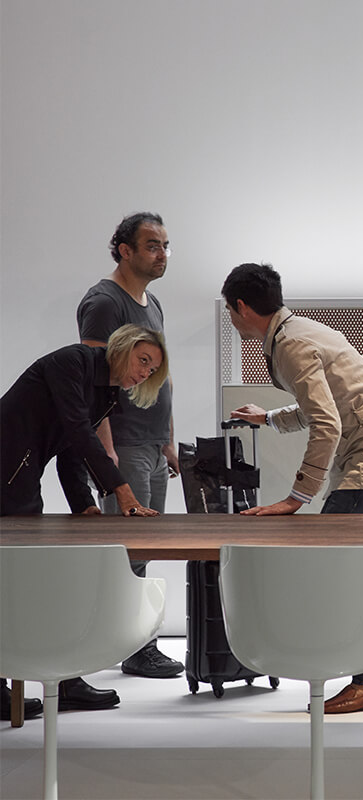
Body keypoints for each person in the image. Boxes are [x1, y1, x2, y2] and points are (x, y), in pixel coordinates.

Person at [220, 262, 363, 714]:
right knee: (349, 567)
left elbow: (326, 423)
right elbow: (324, 405)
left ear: (242, 307)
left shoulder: (290, 344)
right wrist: (269, 418)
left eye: (230, 310)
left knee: (331, 569)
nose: (231, 318)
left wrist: (296, 497)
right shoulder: (298, 331)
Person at [1, 323, 168, 714]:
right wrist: (121, 490)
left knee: (27, 577)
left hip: (22, 469)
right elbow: (77, 431)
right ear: (123, 346)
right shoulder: (72, 362)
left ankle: (65, 679)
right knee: (18, 577)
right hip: (7, 468)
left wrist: (84, 505)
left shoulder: (105, 392)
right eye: (143, 360)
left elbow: (71, 451)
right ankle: (56, 680)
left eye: (151, 370)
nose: (144, 373)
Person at [77, 211, 183, 679]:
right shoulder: (104, 302)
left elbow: (161, 376)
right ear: (125, 250)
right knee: (127, 549)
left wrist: (169, 439)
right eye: (152, 245)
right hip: (123, 443)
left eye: (165, 246)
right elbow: (93, 381)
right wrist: (107, 452)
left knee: (143, 547)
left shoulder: (151, 303)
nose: (162, 254)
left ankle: (136, 643)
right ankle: (131, 646)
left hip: (152, 445)